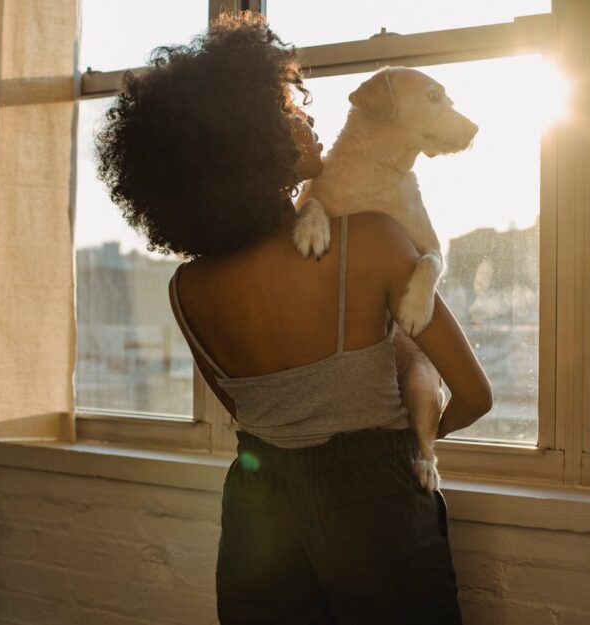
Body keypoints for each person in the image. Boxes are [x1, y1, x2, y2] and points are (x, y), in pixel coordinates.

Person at [95, 10, 492, 625]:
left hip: (257, 509)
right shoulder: (378, 241)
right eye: (287, 111)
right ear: (245, 142)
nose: (307, 117)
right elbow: (473, 395)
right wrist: (400, 443)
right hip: (375, 504)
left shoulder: (186, 288)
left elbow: (254, 415)